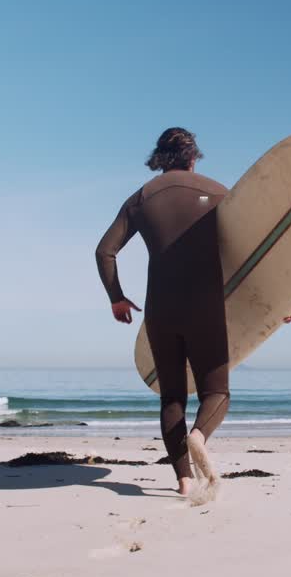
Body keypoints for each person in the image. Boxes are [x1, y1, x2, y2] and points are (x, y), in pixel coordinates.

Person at [95, 128, 231, 498]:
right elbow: (252, 249)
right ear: (193, 157)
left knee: (172, 397)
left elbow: (104, 252)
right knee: (216, 391)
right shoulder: (219, 192)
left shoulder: (141, 198)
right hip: (206, 306)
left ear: (159, 159)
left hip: (161, 309)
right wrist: (281, 300)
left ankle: (184, 482)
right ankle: (199, 436)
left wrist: (117, 298)